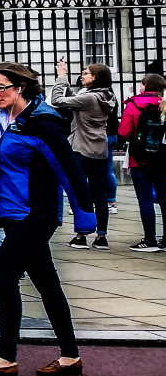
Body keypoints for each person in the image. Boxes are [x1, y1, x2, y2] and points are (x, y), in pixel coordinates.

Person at [0, 62, 92, 376]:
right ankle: (70, 356)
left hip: (36, 214)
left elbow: (69, 169)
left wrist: (85, 214)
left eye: (0, 87)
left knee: (3, 275)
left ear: (20, 87)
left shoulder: (42, 123)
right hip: (11, 212)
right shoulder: (1, 118)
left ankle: (5, 356)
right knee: (46, 282)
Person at [51, 60, 115, 250]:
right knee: (99, 194)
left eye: (86, 73)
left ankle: (81, 235)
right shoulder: (107, 95)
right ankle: (101, 235)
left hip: (81, 149)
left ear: (95, 77)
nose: (82, 75)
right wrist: (69, 87)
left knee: (80, 193)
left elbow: (57, 101)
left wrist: (61, 78)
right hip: (99, 149)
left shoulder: (89, 98)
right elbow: (75, 102)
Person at [120, 73, 166, 251]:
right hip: (163, 157)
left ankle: (149, 240)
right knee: (164, 198)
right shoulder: (163, 103)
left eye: (141, 84)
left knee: (145, 200)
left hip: (140, 158)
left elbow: (124, 132)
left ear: (146, 86)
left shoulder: (133, 105)